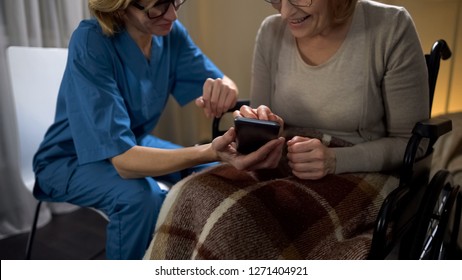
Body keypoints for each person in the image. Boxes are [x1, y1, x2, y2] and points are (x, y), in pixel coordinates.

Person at [144, 0, 429, 259]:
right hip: (283, 158)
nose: (285, 12)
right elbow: (261, 115)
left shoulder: (391, 28)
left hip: (360, 169)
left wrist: (334, 160)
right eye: (276, 0)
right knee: (189, 193)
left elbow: (411, 143)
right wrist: (263, 123)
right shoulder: (271, 31)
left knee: (238, 222)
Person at [32, 0, 284, 260]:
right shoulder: (90, 41)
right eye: (158, 6)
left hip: (134, 143)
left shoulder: (170, 35)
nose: (173, 15)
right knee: (140, 198)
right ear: (120, 6)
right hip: (68, 159)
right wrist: (209, 151)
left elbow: (222, 82)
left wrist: (225, 88)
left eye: (176, 2)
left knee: (218, 174)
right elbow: (124, 161)